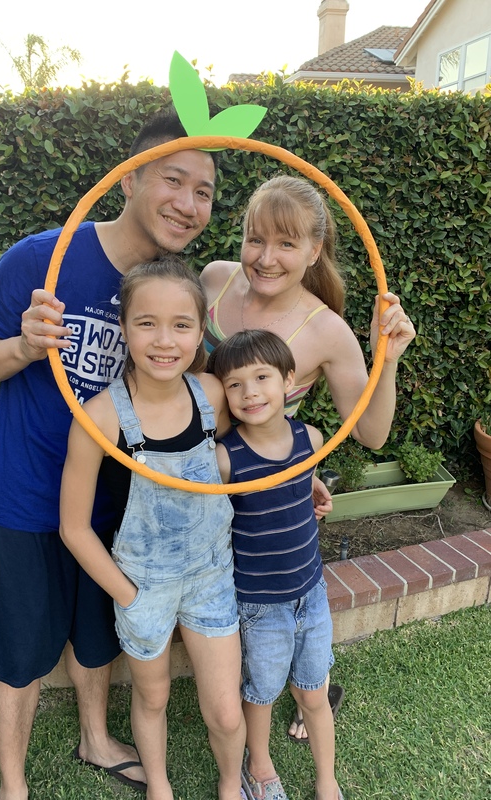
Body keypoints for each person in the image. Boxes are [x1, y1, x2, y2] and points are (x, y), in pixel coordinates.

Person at [0, 108, 219, 800]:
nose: (189, 204)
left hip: (121, 507)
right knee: (18, 645)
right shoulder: (44, 256)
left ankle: (96, 737)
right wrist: (19, 347)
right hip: (27, 497)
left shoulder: (175, 290)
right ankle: (13, 784)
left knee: (95, 633)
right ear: (129, 179)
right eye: (175, 180)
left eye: (205, 192)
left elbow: (212, 392)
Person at [200, 174, 415, 743]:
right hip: (197, 478)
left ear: (314, 250)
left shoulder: (326, 330)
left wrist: (384, 359)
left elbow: (370, 432)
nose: (265, 258)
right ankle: (247, 694)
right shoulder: (215, 281)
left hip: (265, 493)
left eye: (286, 244)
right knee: (226, 599)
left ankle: (311, 690)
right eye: (254, 239)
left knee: (279, 595)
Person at [59, 257, 248, 800]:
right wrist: (130, 595)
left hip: (212, 573)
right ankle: (159, 786)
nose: (164, 340)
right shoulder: (101, 416)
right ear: (123, 326)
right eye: (146, 323)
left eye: (181, 325)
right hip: (144, 582)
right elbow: (73, 526)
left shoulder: (212, 396)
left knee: (226, 709)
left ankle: (231, 786)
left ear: (200, 329)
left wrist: (299, 481)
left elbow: (241, 456)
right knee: (153, 697)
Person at [209, 328, 344, 800]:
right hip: (260, 602)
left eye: (262, 377)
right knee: (261, 691)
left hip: (311, 591)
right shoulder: (226, 459)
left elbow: (299, 486)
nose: (250, 393)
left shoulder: (312, 437)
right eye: (235, 384)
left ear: (289, 381)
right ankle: (260, 766)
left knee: (313, 691)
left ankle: (327, 779)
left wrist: (312, 493)